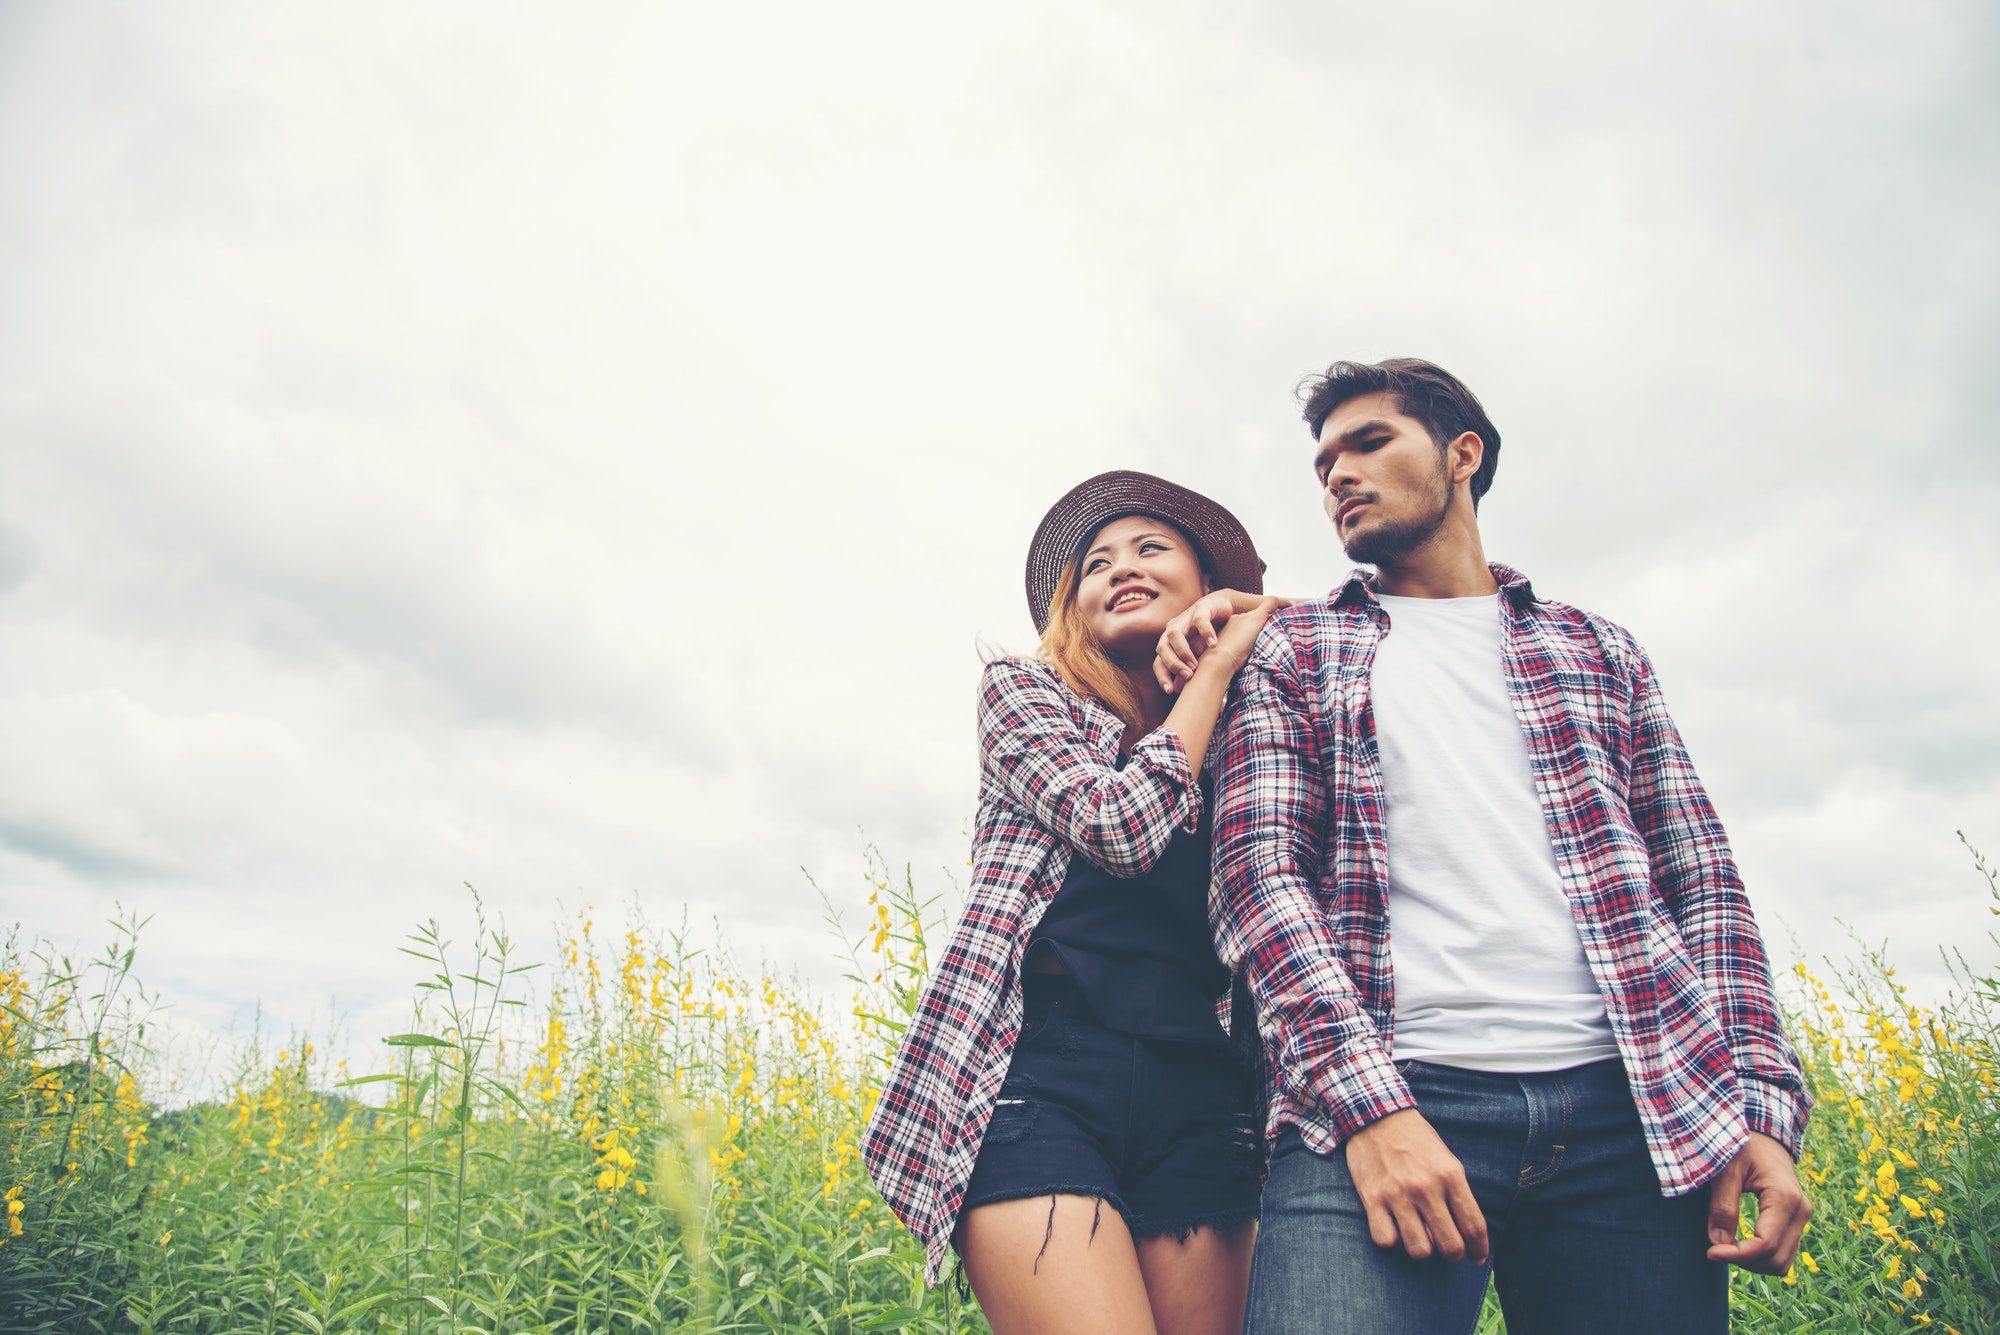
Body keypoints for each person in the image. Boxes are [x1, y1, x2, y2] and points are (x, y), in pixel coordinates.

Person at [1156, 360, 1812, 1334]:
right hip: (1377, 1101)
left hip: (1632, 1125)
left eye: (1367, 442)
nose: (1336, 473)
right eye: (1323, 459)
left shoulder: (1597, 648)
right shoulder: (1293, 650)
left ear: (1462, 453)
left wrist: (1758, 1110)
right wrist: (1371, 1111)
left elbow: (1700, 881)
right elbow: (1258, 883)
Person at [862, 470, 1282, 1335]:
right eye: (1096, 563)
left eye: (1151, 549)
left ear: (1208, 587)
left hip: (1201, 1084)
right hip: (1041, 1074)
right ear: (1074, 604)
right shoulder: (1024, 695)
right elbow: (1120, 827)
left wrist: (1254, 622)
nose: (1120, 568)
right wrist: (1212, 674)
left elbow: (1370, 635)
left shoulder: (1257, 722)